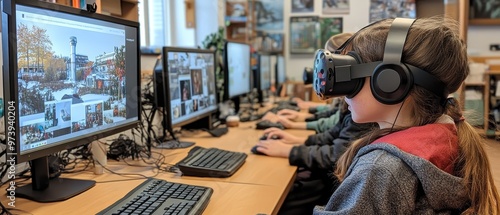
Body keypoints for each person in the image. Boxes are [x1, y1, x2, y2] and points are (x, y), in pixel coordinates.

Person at [312, 17, 500, 214]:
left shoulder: (380, 169)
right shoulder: (447, 136)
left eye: (352, 78)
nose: (342, 94)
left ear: (389, 82)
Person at [256, 99, 376, 214]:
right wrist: (295, 141)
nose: (345, 98)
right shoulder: (354, 110)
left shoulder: (364, 115)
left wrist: (290, 151)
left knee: (274, 193)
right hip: (333, 178)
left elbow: (336, 155)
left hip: (332, 181)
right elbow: (331, 135)